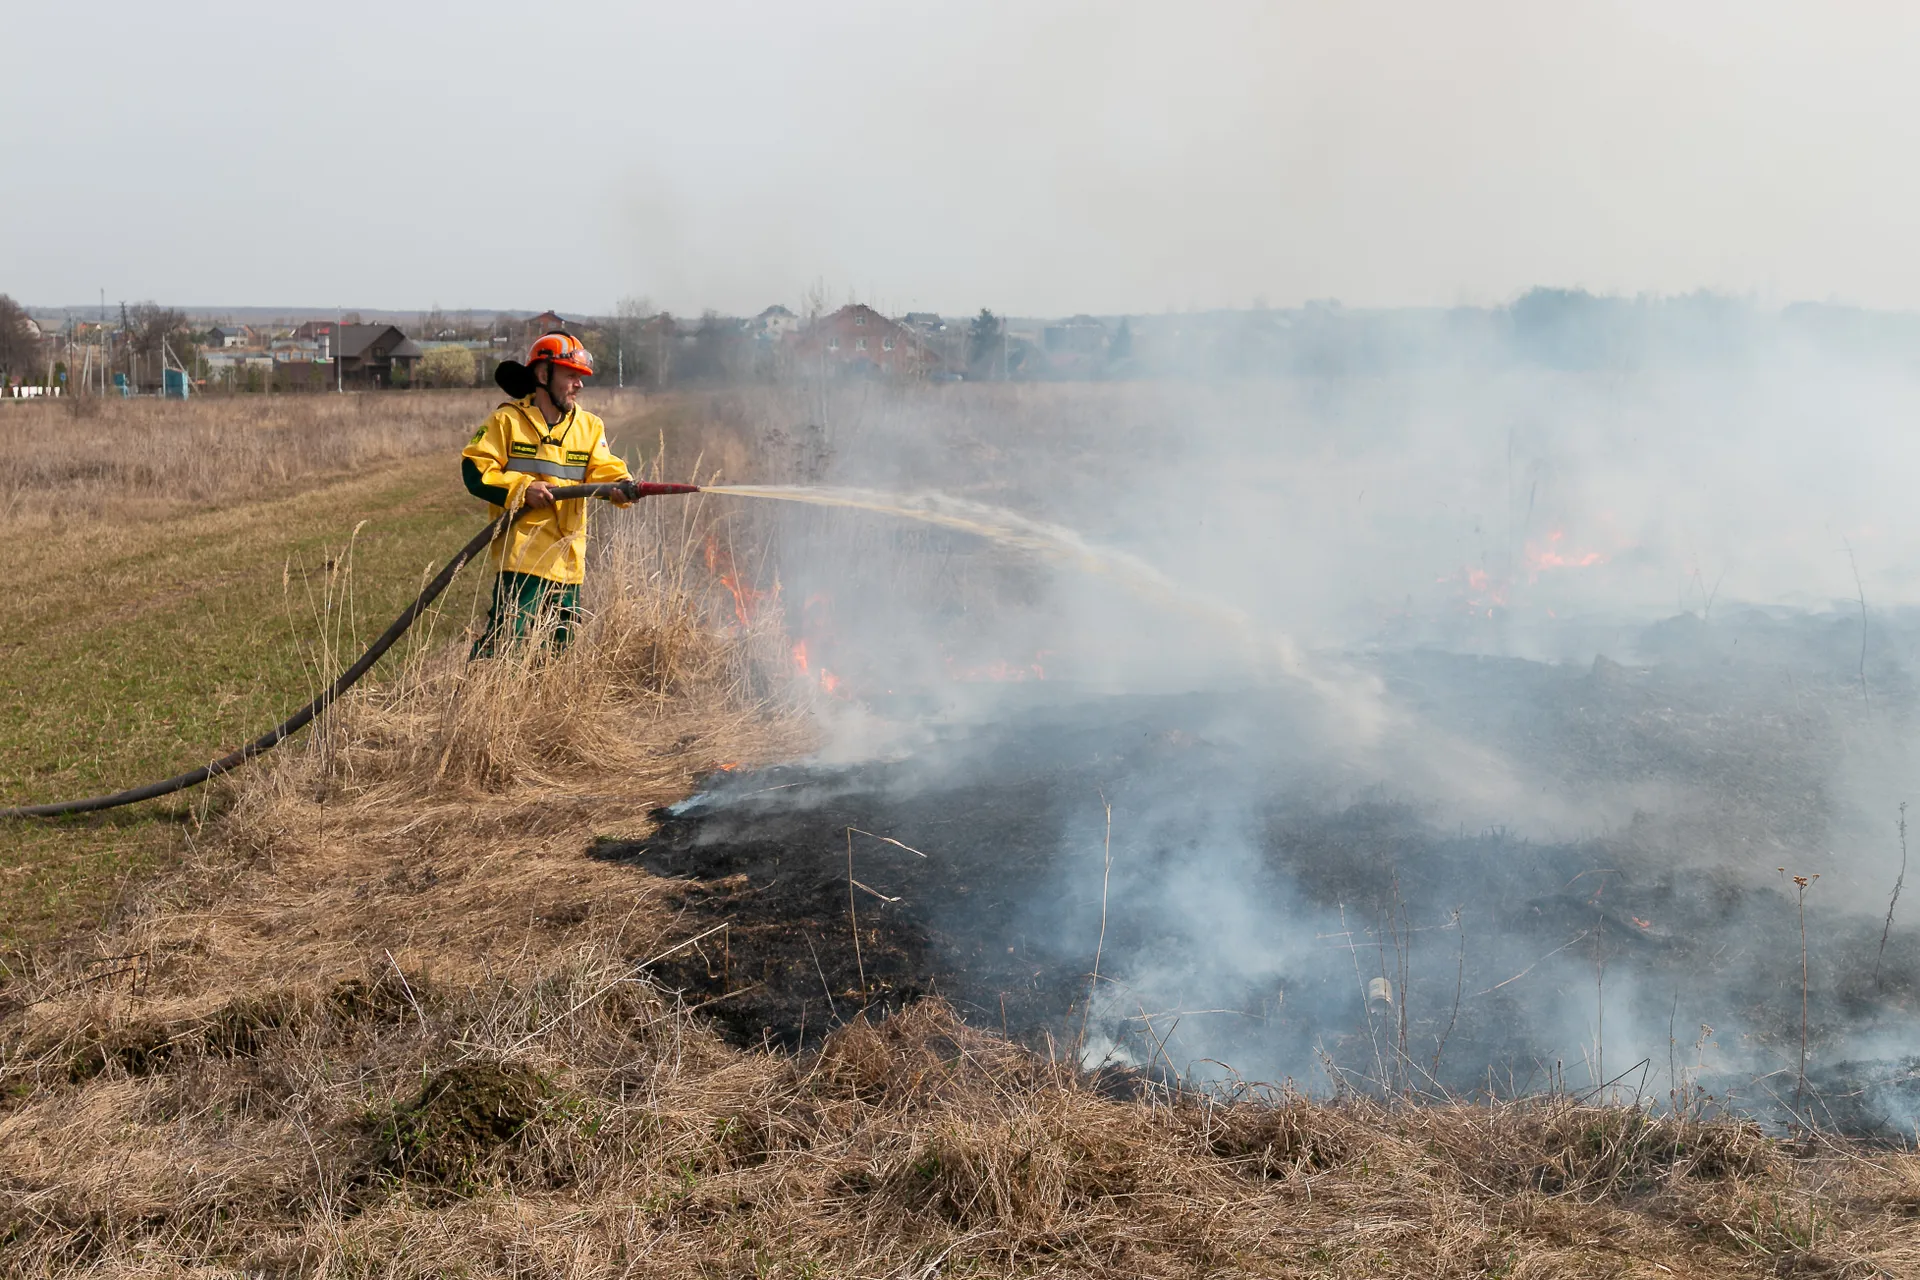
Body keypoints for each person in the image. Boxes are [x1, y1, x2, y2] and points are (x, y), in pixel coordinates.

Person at [461, 332, 634, 657]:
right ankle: (480, 702)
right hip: (523, 557)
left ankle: (544, 708)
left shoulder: (589, 426)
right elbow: (475, 472)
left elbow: (603, 469)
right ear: (543, 375)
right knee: (504, 646)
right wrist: (523, 489)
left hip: (568, 560)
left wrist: (622, 485)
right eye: (571, 376)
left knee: (559, 651)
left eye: (581, 378)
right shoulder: (507, 421)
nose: (579, 385)